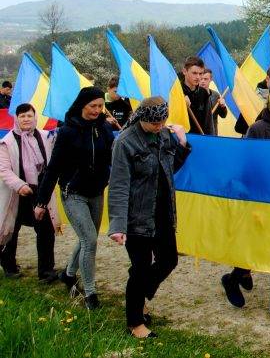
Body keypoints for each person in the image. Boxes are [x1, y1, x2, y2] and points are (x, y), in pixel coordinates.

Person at [107, 97, 191, 338]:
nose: (159, 125)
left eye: (162, 121)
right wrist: (118, 225)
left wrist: (183, 144)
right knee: (141, 268)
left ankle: (141, 292)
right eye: (154, 122)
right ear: (142, 118)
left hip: (163, 212)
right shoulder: (125, 142)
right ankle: (135, 323)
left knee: (169, 260)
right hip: (137, 218)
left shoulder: (164, 135)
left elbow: (168, 168)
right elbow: (119, 185)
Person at [221, 87, 270, 320]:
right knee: (255, 249)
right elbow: (245, 162)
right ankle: (233, 279)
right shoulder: (258, 128)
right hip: (258, 198)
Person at [34, 86, 115, 310]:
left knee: (85, 237)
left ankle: (68, 274)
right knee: (90, 240)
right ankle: (90, 293)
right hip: (73, 194)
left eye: (100, 106)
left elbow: (114, 154)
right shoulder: (67, 131)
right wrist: (41, 201)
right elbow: (54, 168)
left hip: (97, 192)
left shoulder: (104, 129)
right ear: (82, 105)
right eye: (92, 106)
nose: (97, 110)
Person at [0, 103, 60, 282]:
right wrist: (19, 185)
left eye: (29, 116)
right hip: (16, 193)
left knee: (46, 230)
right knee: (12, 230)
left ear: (35, 117)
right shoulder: (7, 142)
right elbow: (4, 170)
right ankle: (9, 265)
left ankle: (46, 272)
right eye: (22, 116)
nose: (26, 119)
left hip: (40, 192)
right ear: (16, 119)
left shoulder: (45, 136)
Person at [198, 70, 228, 136]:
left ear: (210, 79)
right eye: (201, 79)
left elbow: (223, 115)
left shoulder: (215, 95)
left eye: (205, 79)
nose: (202, 81)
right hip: (197, 133)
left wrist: (223, 106)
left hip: (212, 133)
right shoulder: (193, 94)